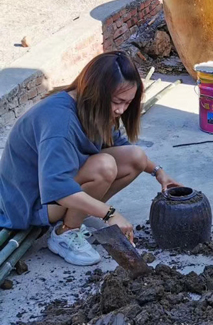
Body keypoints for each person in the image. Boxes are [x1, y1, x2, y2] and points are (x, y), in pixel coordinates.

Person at [0, 52, 180, 266]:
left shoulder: (89, 106)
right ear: (97, 91)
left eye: (127, 103)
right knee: (103, 167)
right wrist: (110, 214)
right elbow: (56, 187)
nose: (121, 110)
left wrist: (158, 172)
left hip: (55, 189)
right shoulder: (60, 122)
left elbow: (121, 147)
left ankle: (77, 213)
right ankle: (66, 232)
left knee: (136, 157)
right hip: (32, 202)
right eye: (117, 102)